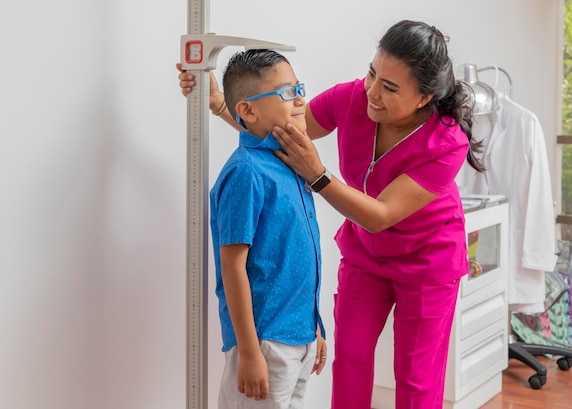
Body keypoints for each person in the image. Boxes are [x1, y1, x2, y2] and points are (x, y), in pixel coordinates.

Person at [179, 20, 484, 409]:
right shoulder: (352, 99)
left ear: (424, 98)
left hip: (428, 260)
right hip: (366, 254)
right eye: (372, 73)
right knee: (352, 359)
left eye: (389, 87)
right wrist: (219, 101)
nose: (372, 92)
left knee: (417, 378)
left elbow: (381, 214)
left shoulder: (446, 141)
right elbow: (277, 130)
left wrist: (318, 174)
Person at [206, 49, 327, 409]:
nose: (301, 99)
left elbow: (298, 259)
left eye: (299, 88)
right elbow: (233, 267)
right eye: (288, 92)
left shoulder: (291, 162)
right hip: (265, 341)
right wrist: (248, 352)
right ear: (247, 110)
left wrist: (314, 328)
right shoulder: (246, 172)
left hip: (299, 335)